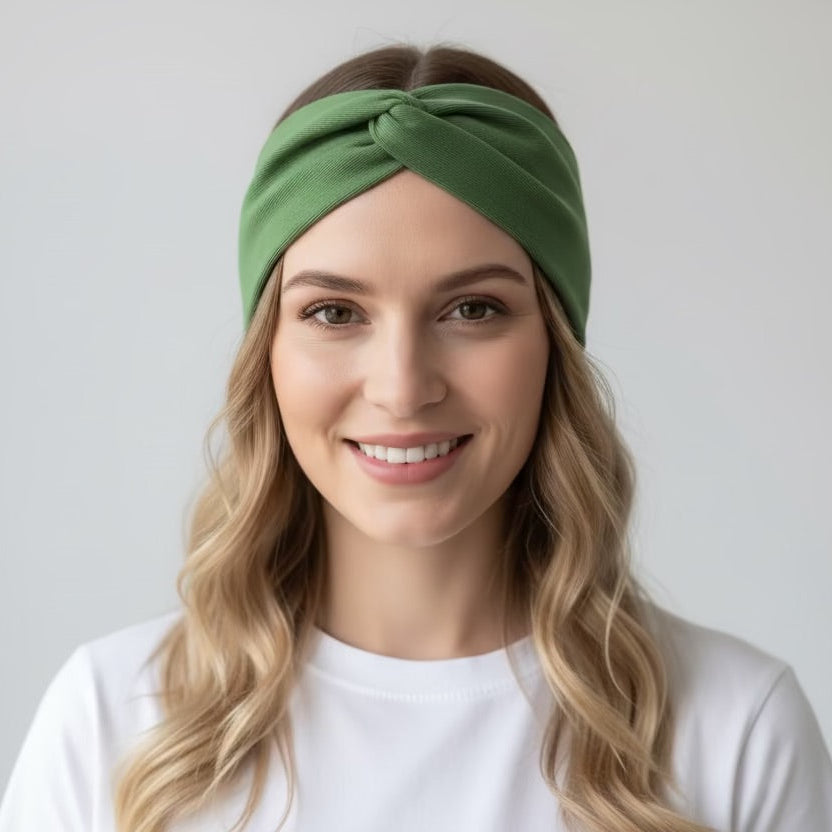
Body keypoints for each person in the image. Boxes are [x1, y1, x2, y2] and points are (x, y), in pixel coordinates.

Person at [1, 42, 830, 832]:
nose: (402, 387)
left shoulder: (734, 730)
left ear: (554, 344)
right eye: (334, 312)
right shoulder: (111, 725)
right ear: (269, 354)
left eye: (473, 309)